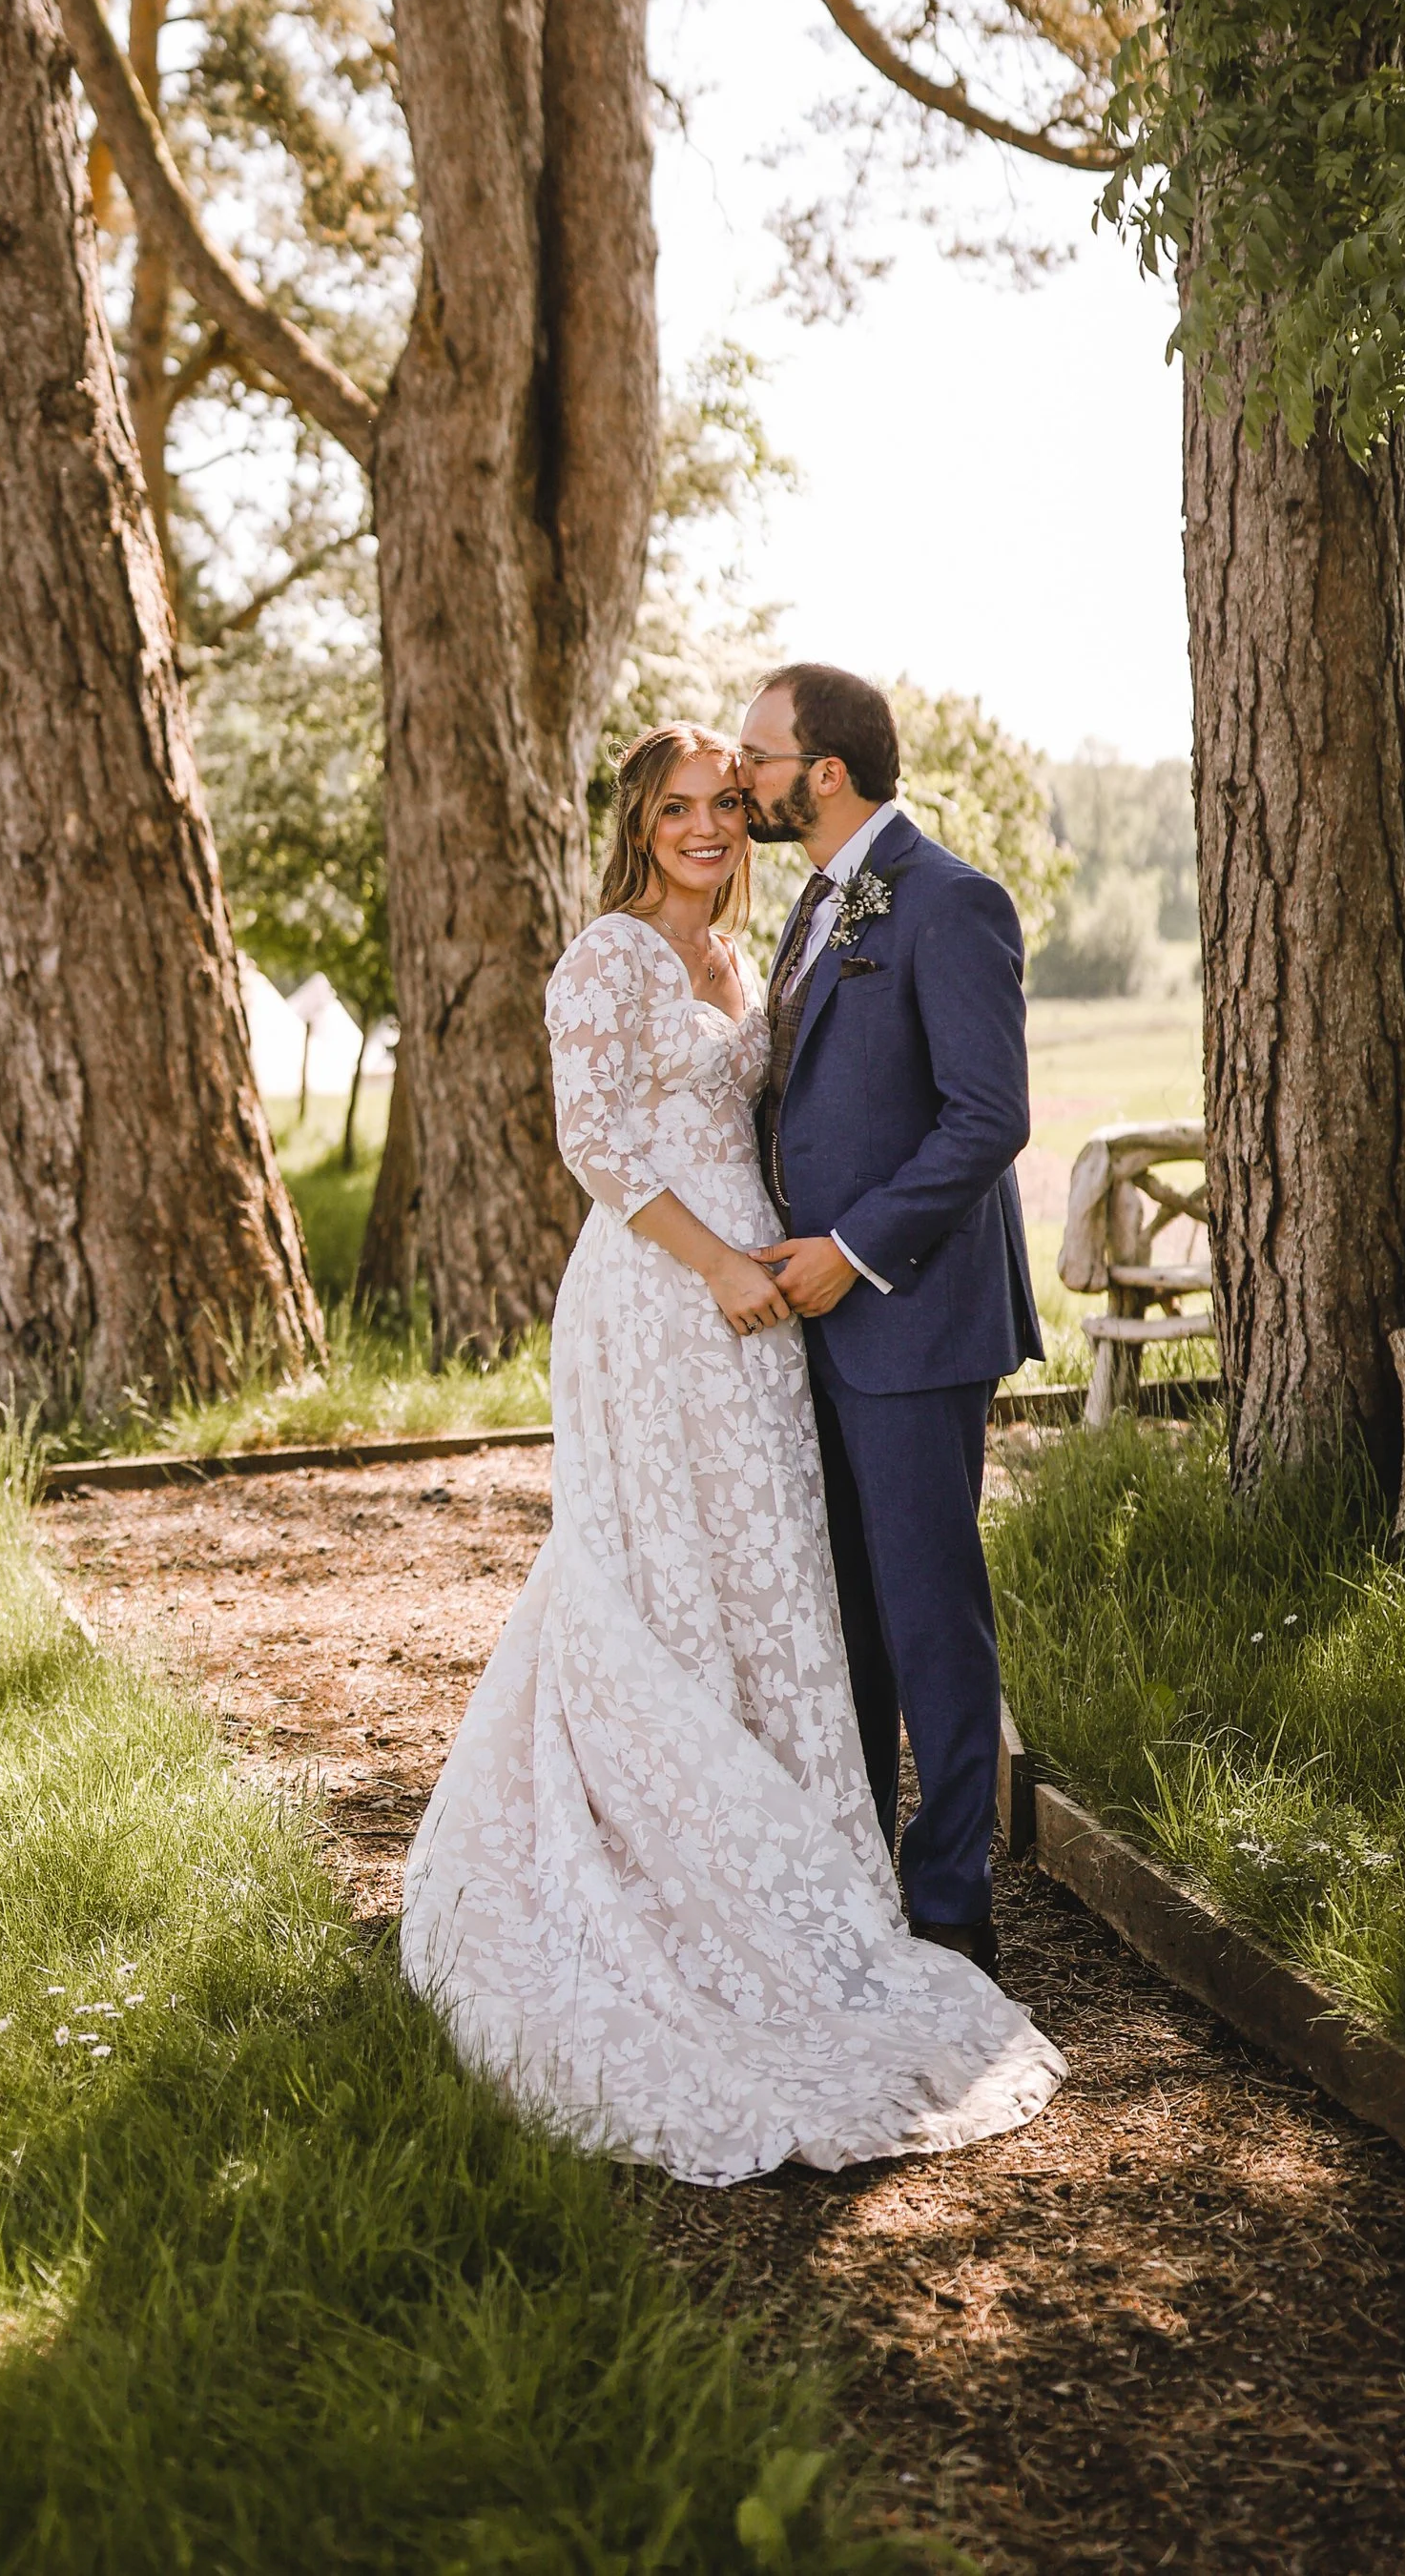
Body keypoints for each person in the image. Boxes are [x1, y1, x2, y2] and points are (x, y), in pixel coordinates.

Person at [399, 720, 1063, 2187]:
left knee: (772, 1594)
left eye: (729, 792)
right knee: (656, 1575)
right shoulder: (612, 956)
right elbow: (593, 1143)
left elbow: (925, 1110)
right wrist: (715, 1268)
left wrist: (786, 1269)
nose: (713, 819)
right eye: (684, 803)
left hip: (776, 1311)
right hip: (667, 1296)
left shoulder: (761, 951)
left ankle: (834, 1872)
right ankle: (659, 1855)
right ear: (639, 824)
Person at [740, 662, 1041, 1969]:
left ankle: (954, 1903)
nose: (741, 773)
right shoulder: (811, 905)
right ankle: (861, 1865)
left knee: (929, 1614)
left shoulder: (949, 901)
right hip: (811, 1318)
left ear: (824, 769)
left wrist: (851, 1252)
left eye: (758, 752)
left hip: (910, 1317)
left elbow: (988, 1115)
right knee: (845, 1609)